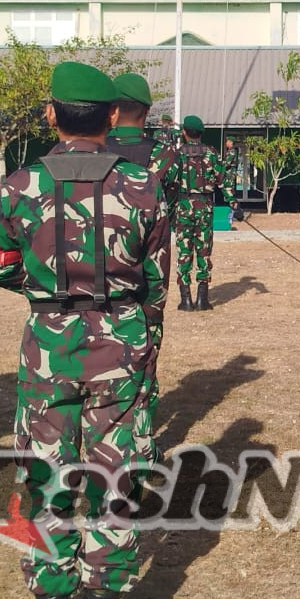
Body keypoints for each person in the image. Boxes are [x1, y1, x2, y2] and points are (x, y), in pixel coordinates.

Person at [0, 61, 169, 599]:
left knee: (44, 472)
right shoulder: (143, 184)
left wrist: (43, 288)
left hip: (47, 343)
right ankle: (105, 592)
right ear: (111, 116)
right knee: (118, 471)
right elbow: (157, 278)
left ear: (50, 114)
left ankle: (52, 594)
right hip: (122, 340)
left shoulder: (18, 185)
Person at [105, 72, 177, 463]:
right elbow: (170, 207)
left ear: (111, 110)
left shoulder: (92, 151)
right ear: (147, 111)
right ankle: (142, 443)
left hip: (92, 272)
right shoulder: (163, 156)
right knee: (144, 361)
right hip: (144, 267)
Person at [171, 115, 235, 311]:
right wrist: (234, 204)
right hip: (205, 207)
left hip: (183, 206)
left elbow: (168, 181)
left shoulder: (177, 154)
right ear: (201, 133)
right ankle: (202, 299)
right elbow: (223, 180)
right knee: (204, 250)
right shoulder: (211, 153)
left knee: (184, 251)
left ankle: (185, 300)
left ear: (184, 132)